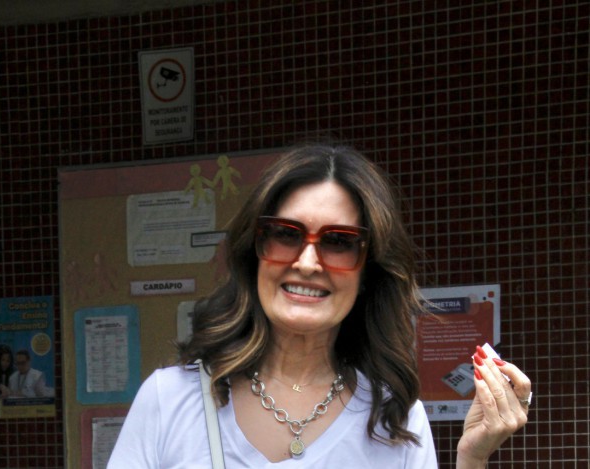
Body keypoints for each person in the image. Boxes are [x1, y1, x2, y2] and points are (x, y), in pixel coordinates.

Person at [107, 142, 531, 468]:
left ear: (367, 272)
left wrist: (472, 459)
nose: (307, 263)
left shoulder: (396, 421)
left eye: (338, 242)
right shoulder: (169, 400)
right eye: (286, 234)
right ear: (255, 253)